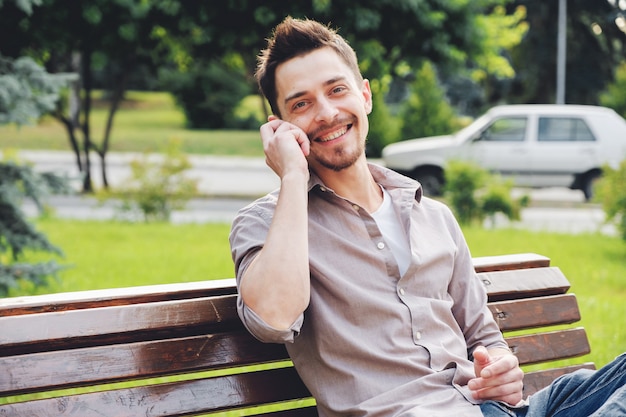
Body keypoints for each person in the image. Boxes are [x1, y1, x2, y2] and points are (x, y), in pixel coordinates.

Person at [229, 16, 626, 417]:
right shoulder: (267, 224)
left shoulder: (432, 214)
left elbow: (483, 335)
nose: (328, 113)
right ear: (278, 127)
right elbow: (273, 320)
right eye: (302, 104)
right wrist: (294, 175)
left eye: (337, 90)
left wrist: (502, 368)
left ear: (364, 96)